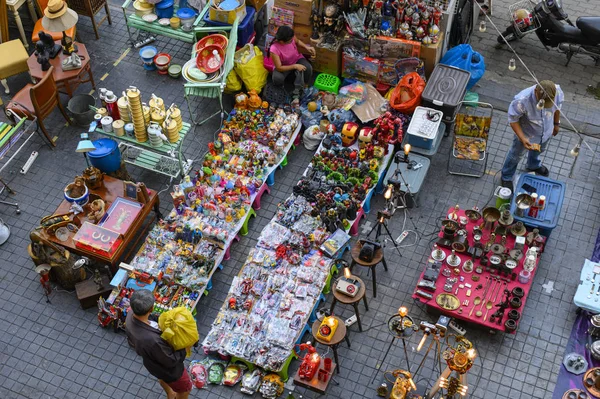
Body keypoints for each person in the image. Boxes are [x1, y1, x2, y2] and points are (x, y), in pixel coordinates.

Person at [126, 289, 192, 399]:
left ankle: (170, 393)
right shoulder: (152, 340)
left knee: (162, 378)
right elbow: (171, 361)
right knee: (185, 389)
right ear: (151, 308)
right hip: (170, 371)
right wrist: (185, 347)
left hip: (153, 364)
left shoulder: (130, 316)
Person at [500, 80, 563, 192]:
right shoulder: (521, 100)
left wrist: (556, 124)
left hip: (545, 132)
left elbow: (557, 108)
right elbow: (513, 120)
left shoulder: (557, 92)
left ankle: (533, 165)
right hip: (527, 133)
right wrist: (523, 138)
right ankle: (506, 176)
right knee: (515, 155)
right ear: (535, 91)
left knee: (538, 150)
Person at [264, 25, 315, 99]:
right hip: (284, 66)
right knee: (277, 78)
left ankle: (304, 86)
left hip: (296, 59)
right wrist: (295, 66)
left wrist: (307, 47)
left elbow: (298, 42)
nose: (292, 41)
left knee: (308, 68)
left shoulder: (290, 36)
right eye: (290, 41)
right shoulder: (274, 49)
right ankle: (282, 89)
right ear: (282, 41)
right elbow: (279, 67)